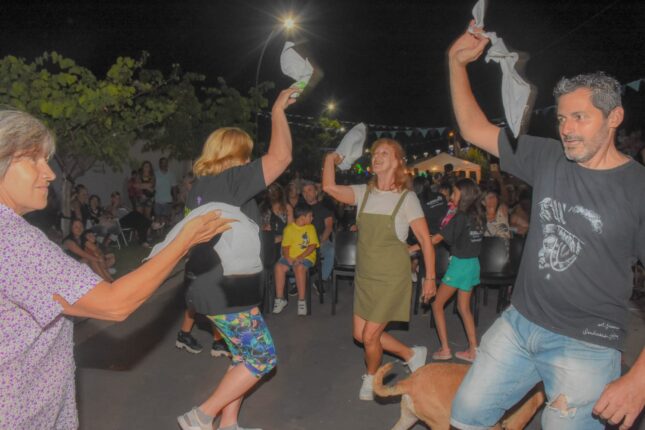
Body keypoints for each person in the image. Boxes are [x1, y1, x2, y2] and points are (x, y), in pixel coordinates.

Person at [447, 23, 645, 430]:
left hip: (587, 343)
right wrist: (455, 63)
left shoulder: (638, 188)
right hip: (519, 324)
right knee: (465, 416)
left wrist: (639, 380)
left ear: (614, 117)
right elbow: (473, 128)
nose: (566, 128)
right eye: (562, 118)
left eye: (580, 117)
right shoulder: (548, 157)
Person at [0, 109, 231, 429]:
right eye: (33, 160)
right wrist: (185, 241)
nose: (49, 173)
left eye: (46, 160)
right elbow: (114, 303)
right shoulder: (13, 240)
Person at [176, 87, 299, 430]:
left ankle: (229, 424)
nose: (249, 161)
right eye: (246, 154)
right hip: (227, 290)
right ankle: (201, 416)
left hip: (211, 286)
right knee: (262, 357)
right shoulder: (231, 180)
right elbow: (281, 157)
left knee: (242, 355)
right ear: (235, 155)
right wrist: (278, 111)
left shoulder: (201, 187)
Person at [322, 138, 437, 402]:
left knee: (370, 335)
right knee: (360, 335)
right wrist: (330, 160)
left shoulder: (406, 198)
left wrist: (430, 277)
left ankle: (372, 378)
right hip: (366, 277)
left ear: (397, 162)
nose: (377, 156)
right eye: (375, 153)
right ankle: (411, 354)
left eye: (384, 153)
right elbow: (328, 187)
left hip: (392, 278)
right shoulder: (363, 193)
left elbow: (425, 240)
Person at [429, 178, 484, 363]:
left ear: (464, 194)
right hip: (473, 264)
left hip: (459, 265)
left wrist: (413, 247)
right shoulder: (478, 216)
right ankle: (473, 350)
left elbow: (437, 239)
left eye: (455, 192)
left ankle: (445, 349)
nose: (452, 195)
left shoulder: (460, 217)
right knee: (463, 307)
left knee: (437, 304)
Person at [272, 202, 319, 316]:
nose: (312, 218)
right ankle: (280, 299)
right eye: (310, 216)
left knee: (299, 267)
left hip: (306, 257)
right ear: (302, 218)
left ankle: (301, 301)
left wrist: (300, 257)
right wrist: (287, 258)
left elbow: (312, 245)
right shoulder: (289, 229)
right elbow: (285, 246)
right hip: (291, 257)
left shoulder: (311, 228)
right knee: (278, 267)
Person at [301, 180, 334, 287]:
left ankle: (321, 280)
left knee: (331, 250)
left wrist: (319, 242)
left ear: (316, 192)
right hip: (303, 240)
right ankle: (295, 282)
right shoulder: (299, 210)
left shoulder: (324, 209)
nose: (307, 193)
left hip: (321, 240)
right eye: (304, 191)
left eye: (309, 190)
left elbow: (329, 227)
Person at [154, 157, 176, 225]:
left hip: (167, 201)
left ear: (167, 164)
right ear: (159, 164)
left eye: (165, 163)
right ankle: (158, 231)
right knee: (157, 219)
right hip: (157, 200)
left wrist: (175, 198)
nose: (164, 164)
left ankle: (164, 231)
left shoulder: (171, 174)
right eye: (162, 163)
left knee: (165, 220)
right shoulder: (155, 174)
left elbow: (174, 188)